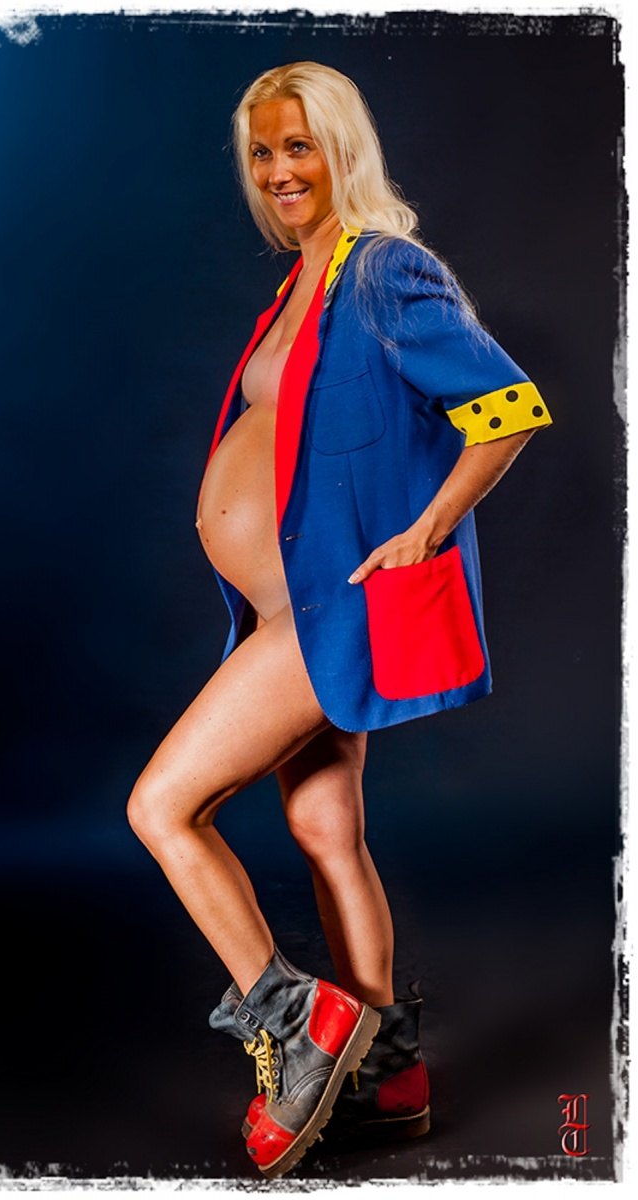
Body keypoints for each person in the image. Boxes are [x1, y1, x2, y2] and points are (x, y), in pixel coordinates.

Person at [126, 60, 552, 1180]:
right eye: (262, 153)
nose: (278, 171)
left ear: (341, 149)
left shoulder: (380, 271)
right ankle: (389, 1077)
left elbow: (507, 407)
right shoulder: (298, 285)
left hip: (330, 614)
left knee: (162, 807)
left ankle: (295, 1024)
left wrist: (426, 529)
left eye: (298, 146)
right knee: (325, 832)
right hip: (282, 610)